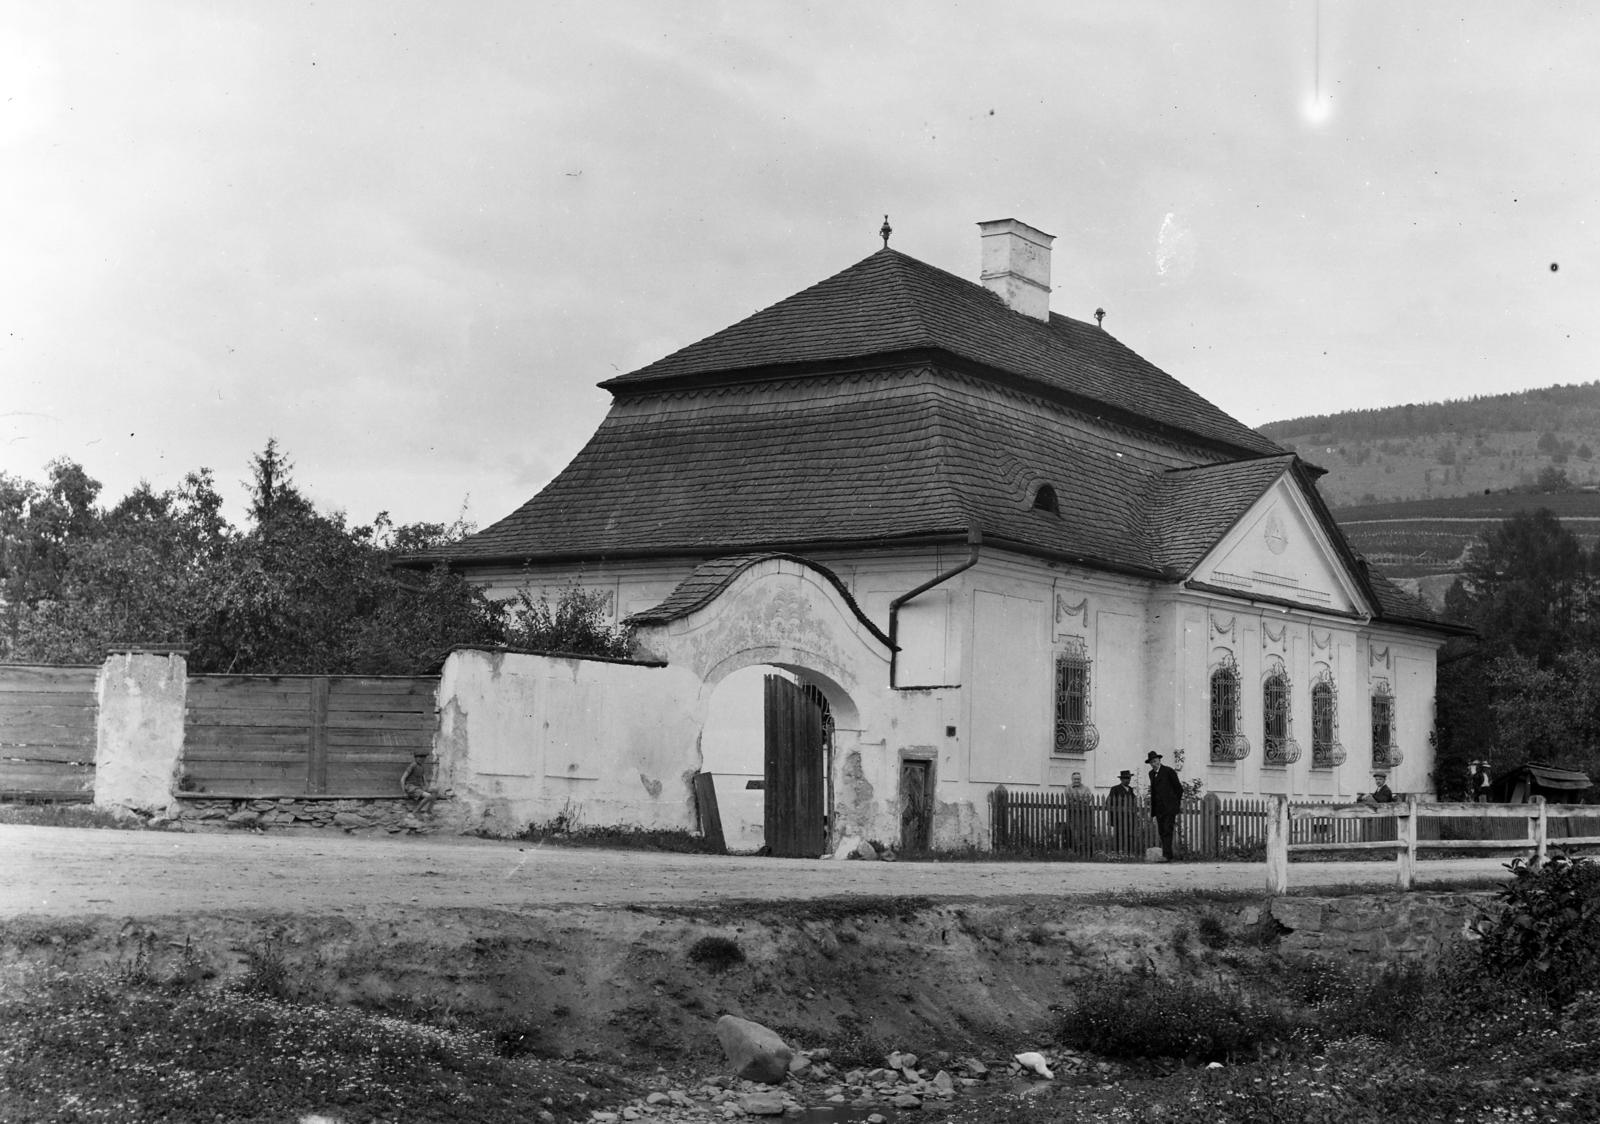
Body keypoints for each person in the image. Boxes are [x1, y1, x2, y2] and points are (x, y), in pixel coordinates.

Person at [1146, 751, 1184, 861]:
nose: (1153, 764)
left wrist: (1174, 804)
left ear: (1159, 760)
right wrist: (1153, 810)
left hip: (1169, 807)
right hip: (1159, 808)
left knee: (1167, 830)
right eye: (1151, 762)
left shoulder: (1168, 771)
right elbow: (1154, 792)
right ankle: (1168, 855)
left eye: (1155, 761)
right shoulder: (1151, 774)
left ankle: (1166, 856)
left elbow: (1179, 789)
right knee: (1162, 831)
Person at [1108, 769, 1139, 854]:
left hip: (1130, 818)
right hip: (1119, 818)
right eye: (1125, 778)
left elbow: (1134, 802)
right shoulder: (1115, 789)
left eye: (1129, 778)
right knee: (1119, 834)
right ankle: (1118, 852)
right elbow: (1109, 802)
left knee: (1130, 834)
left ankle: (1128, 852)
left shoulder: (1130, 789)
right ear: (1121, 779)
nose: (1127, 780)